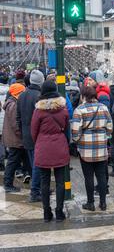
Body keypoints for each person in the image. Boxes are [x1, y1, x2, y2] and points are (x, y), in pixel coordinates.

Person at [31, 81, 70, 222]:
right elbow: (66, 130)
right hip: (59, 146)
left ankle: (47, 213)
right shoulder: (63, 109)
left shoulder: (38, 111)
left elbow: (33, 132)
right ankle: (59, 212)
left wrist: (40, 143)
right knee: (60, 181)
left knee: (44, 182)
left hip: (43, 148)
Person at [72, 86, 113, 211]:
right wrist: (105, 136)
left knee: (88, 176)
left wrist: (77, 140)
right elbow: (110, 127)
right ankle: (103, 203)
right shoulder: (103, 108)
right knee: (101, 175)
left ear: (83, 96)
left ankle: (90, 203)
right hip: (101, 146)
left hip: (86, 148)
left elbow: (75, 132)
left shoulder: (79, 110)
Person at [16, 69, 45, 202]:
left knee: (34, 163)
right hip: (37, 136)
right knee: (38, 164)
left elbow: (18, 117)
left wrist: (22, 132)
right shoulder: (39, 96)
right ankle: (35, 192)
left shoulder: (22, 95)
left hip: (26, 135)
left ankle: (39, 188)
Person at [2, 83, 27, 192]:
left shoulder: (12, 102)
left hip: (13, 138)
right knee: (12, 161)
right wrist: (21, 135)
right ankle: (7, 185)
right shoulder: (13, 104)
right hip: (15, 139)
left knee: (16, 160)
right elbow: (15, 124)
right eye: (22, 92)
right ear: (18, 93)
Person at [0, 73, 9, 171]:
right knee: (3, 141)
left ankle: (1, 162)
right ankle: (3, 159)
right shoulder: (10, 91)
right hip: (6, 121)